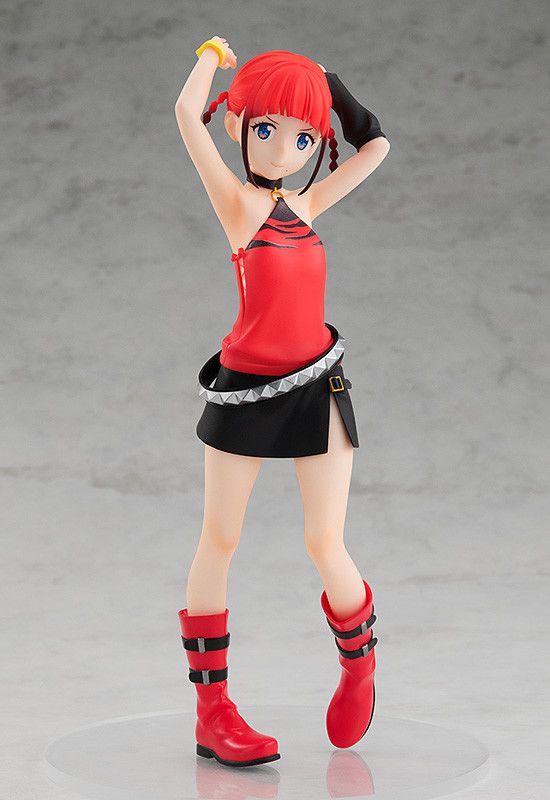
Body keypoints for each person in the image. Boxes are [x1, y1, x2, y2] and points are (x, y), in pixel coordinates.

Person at [174, 37, 390, 767]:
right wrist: (211, 58)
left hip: (318, 386)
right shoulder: (237, 204)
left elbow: (375, 145)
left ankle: (360, 665)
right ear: (238, 125)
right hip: (246, 390)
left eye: (303, 137)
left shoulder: (307, 199)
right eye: (266, 128)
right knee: (220, 539)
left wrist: (328, 83)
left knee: (325, 541)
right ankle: (212, 710)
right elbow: (186, 114)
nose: (284, 148)